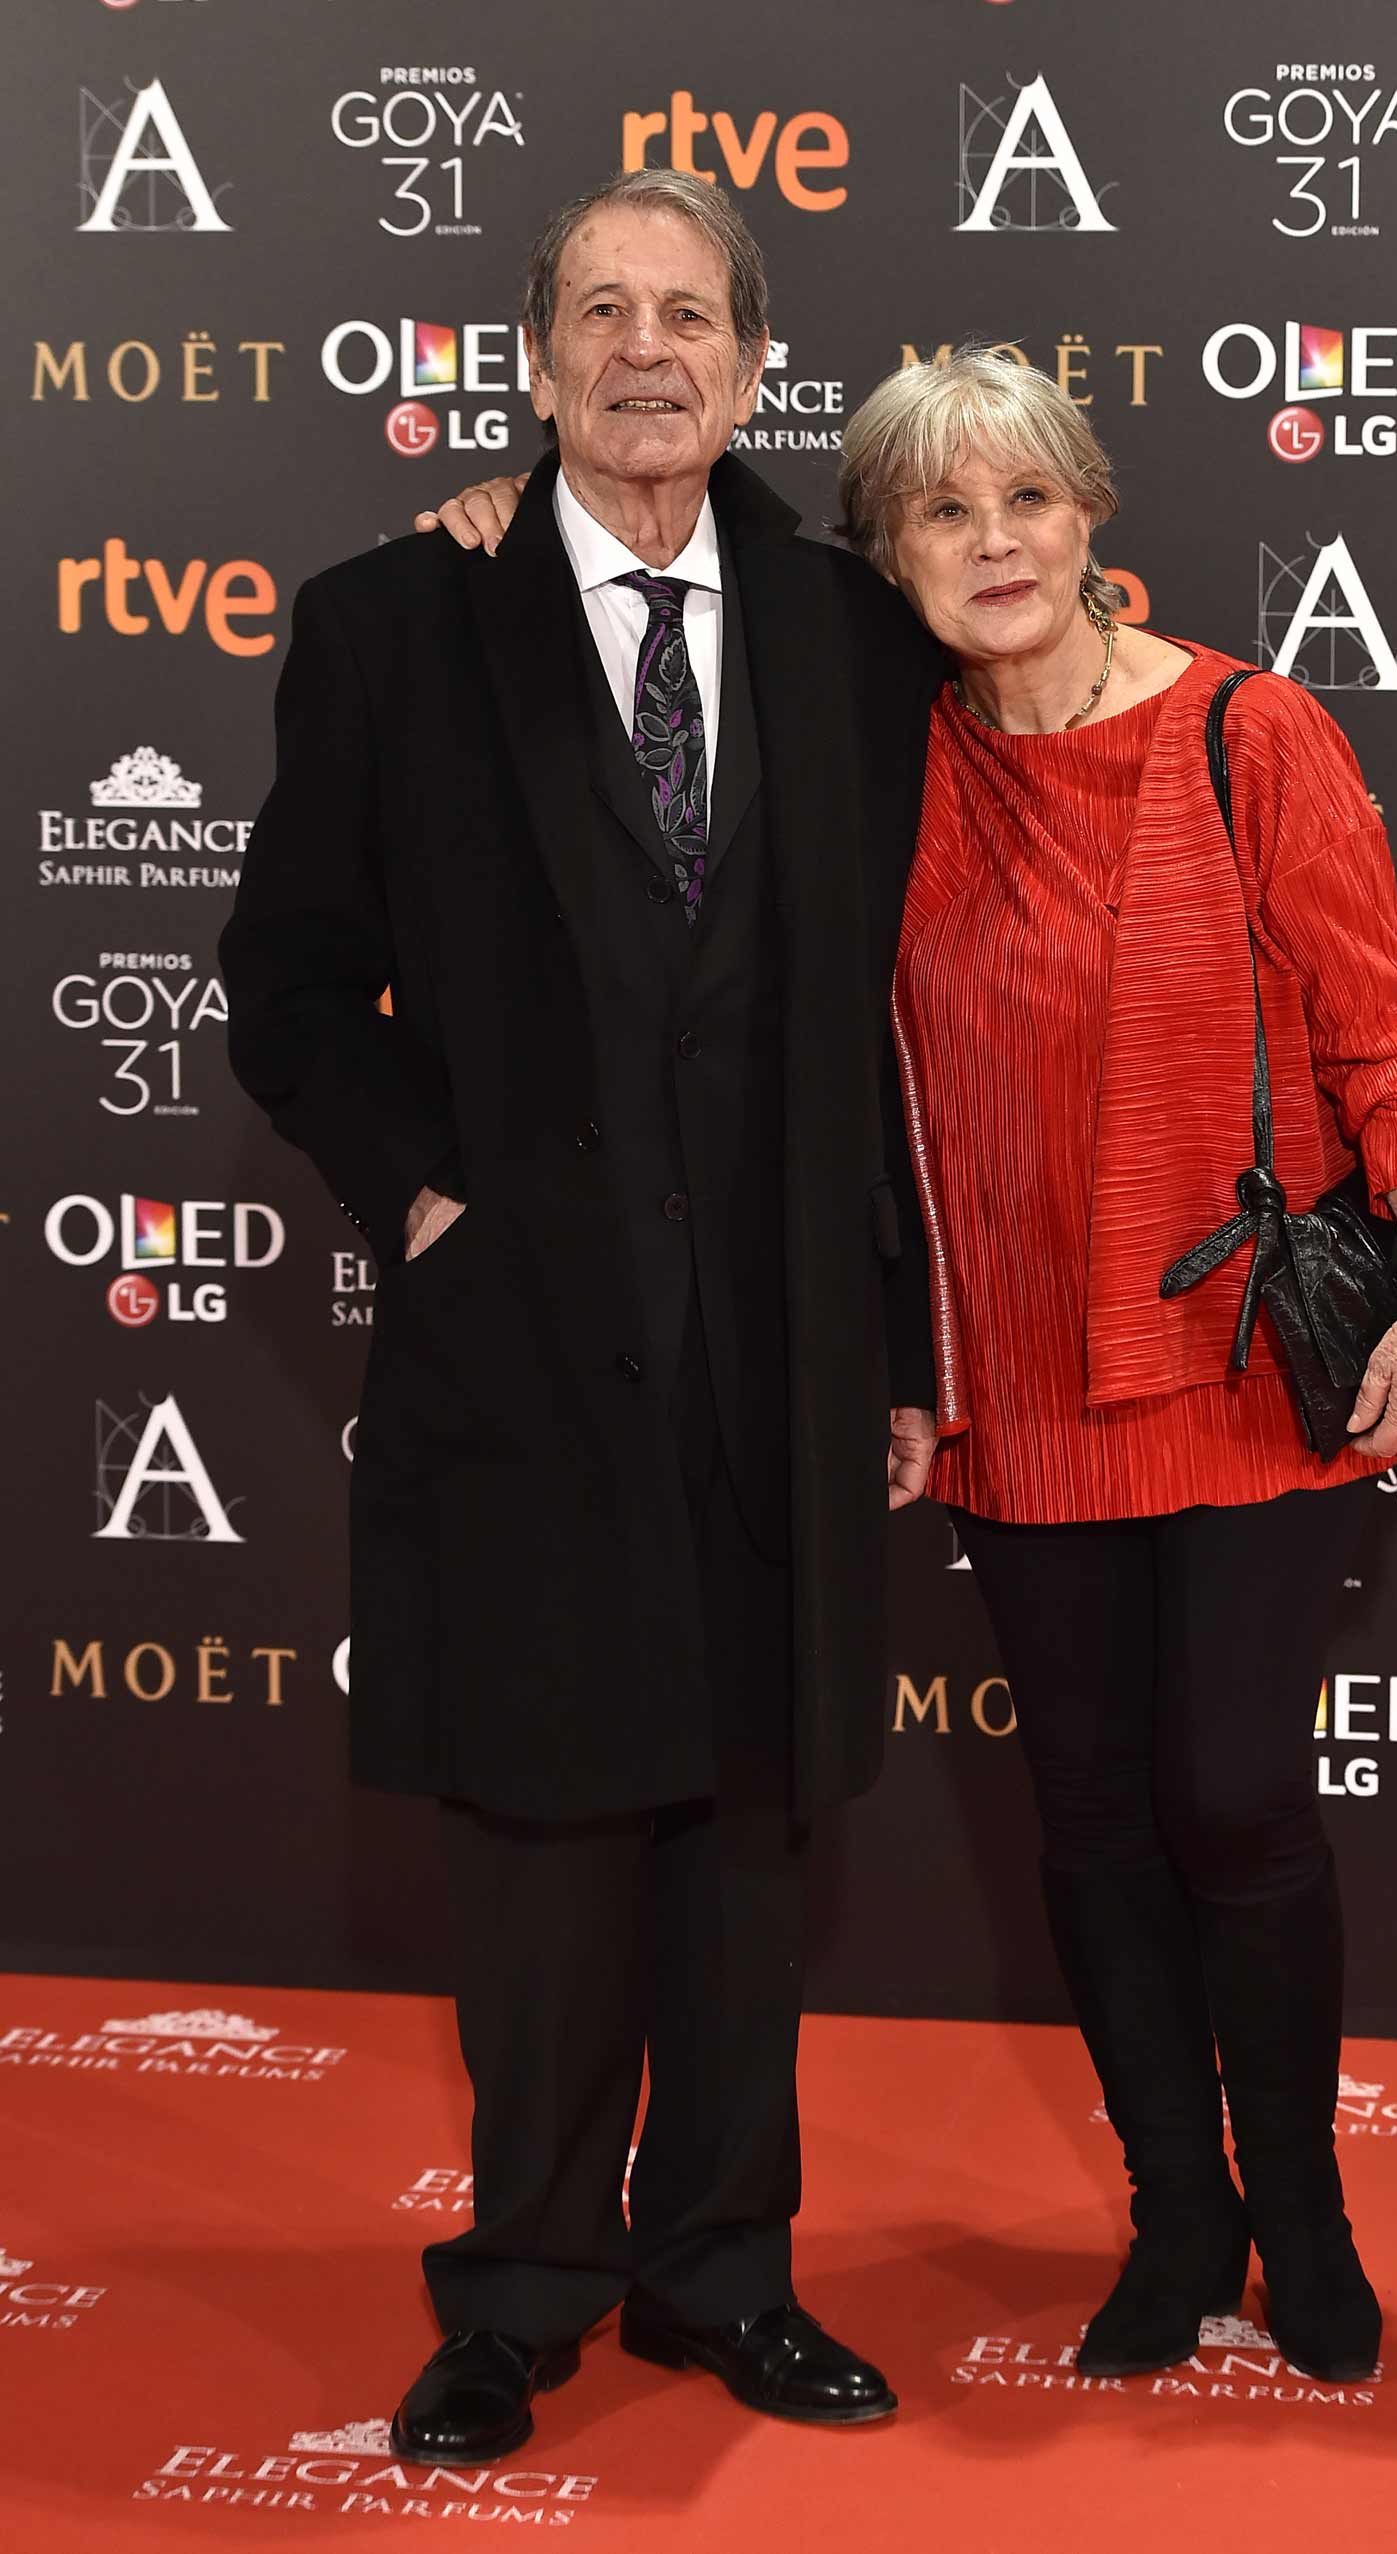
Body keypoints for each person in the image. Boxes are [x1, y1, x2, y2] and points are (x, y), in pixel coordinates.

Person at [424, 351, 1397, 2385]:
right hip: (1014, 1378)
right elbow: (634, 580)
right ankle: (1176, 2224)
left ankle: (1308, 2215)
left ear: (1089, 515)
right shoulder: (878, 759)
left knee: (1233, 1793)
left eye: (1023, 500)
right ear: (885, 553)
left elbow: (1389, 1043)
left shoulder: (1253, 731)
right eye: (938, 511)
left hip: (1252, 1367)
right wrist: (487, 524)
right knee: (1085, 1815)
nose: (989, 544)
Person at [219, 171, 944, 2466]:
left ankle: (724, 2269)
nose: (652, 351)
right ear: (532, 360)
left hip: (783, 1353)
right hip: (521, 1349)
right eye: (604, 314)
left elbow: (904, 1018)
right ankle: (519, 2285)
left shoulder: (856, 636)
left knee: (745, 1841)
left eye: (695, 316)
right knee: (540, 1861)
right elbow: (288, 986)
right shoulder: (391, 623)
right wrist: (420, 1194)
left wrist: (903, 1343)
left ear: (752, 367)